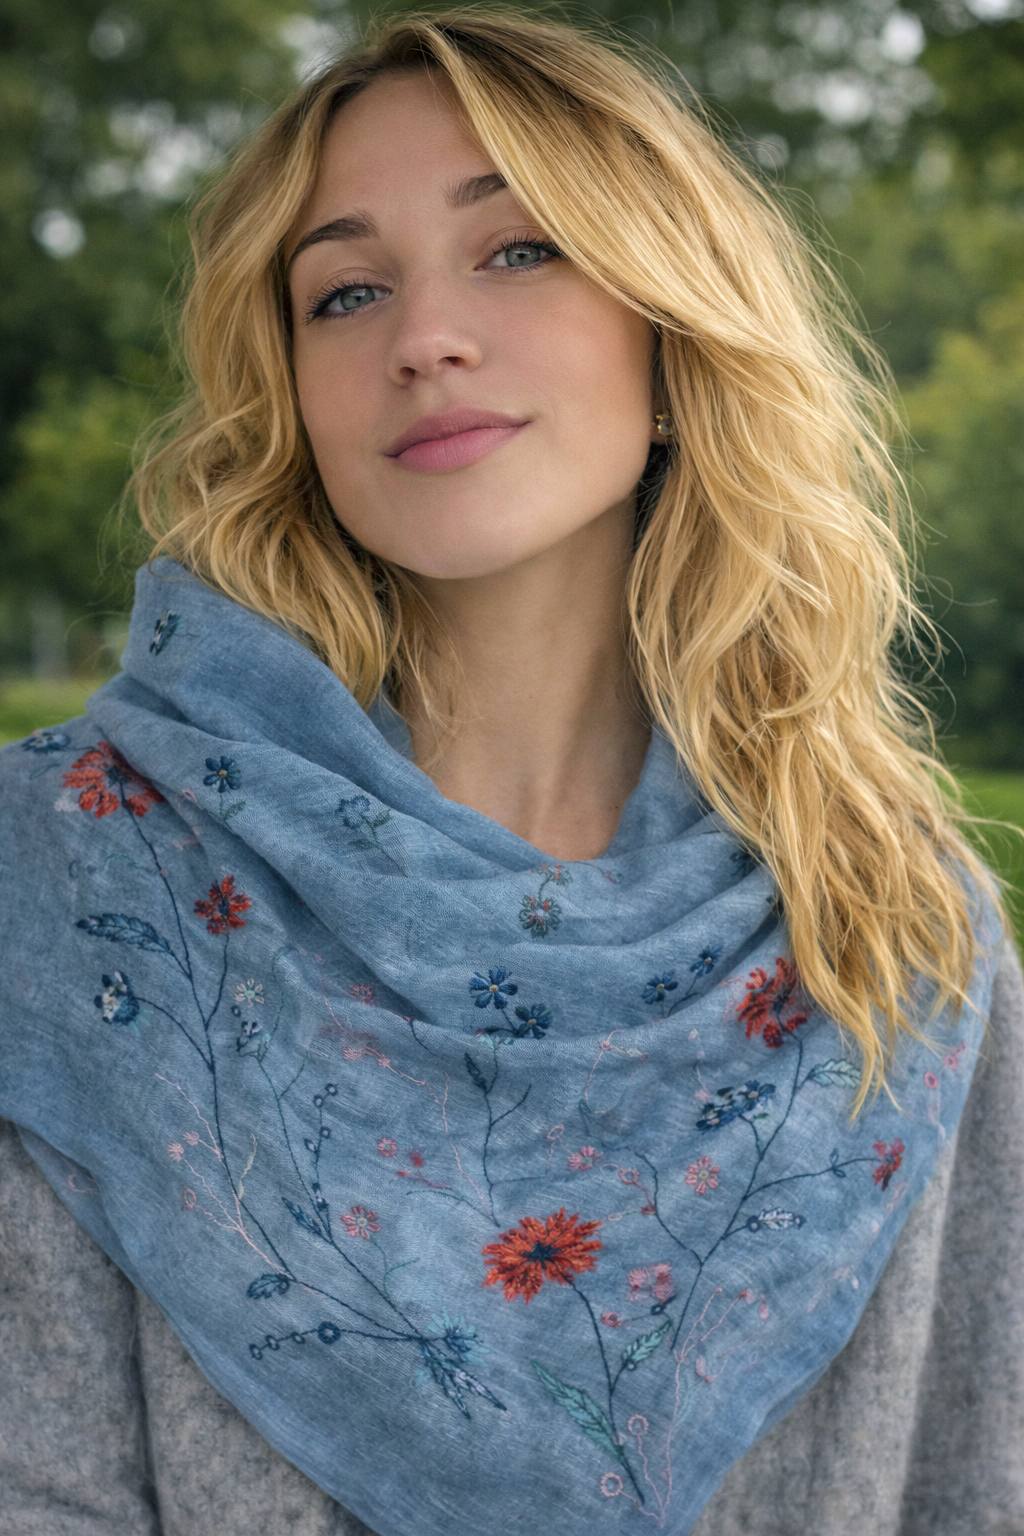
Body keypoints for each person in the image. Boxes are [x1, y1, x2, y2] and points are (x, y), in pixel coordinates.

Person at [1, 7, 1022, 1535]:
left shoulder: (891, 918)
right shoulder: (70, 875)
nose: (423, 336)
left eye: (520, 250)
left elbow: (978, 1475)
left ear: (674, 337)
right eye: (344, 292)